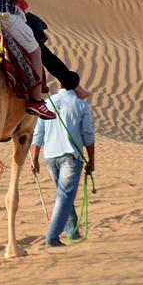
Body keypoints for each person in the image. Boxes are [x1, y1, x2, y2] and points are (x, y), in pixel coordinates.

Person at [30, 87, 96, 246]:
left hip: (50, 157)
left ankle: (73, 233)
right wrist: (91, 161)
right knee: (65, 196)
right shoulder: (80, 105)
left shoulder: (47, 102)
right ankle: (52, 237)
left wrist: (34, 158)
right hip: (70, 157)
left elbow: (38, 133)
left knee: (64, 196)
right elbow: (87, 134)